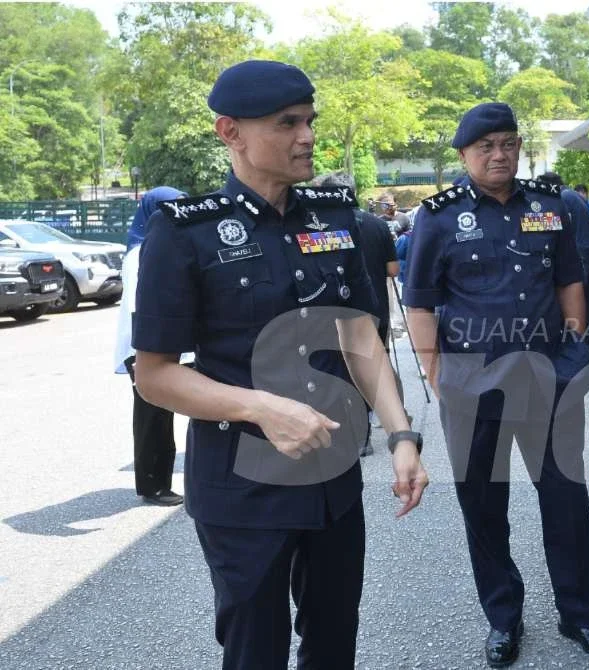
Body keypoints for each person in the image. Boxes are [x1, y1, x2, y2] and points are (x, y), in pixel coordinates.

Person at [131, 60, 428, 669]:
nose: (308, 136)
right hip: (242, 491)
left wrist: (402, 434)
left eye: (310, 121)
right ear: (230, 132)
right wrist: (259, 407)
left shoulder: (336, 220)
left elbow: (361, 341)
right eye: (287, 123)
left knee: (333, 641)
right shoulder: (187, 232)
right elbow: (154, 374)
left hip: (333, 481)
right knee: (255, 651)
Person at [402, 102, 589, 667]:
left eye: (508, 144)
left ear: (519, 147)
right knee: (483, 504)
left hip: (549, 377)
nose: (499, 155)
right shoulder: (438, 216)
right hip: (472, 388)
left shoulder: (550, 207)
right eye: (486, 148)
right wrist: (437, 374)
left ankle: (580, 616)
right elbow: (420, 303)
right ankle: (504, 618)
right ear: (463, 155)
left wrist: (575, 346)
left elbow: (571, 279)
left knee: (566, 499)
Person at [114, 186, 188, 506]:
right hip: (142, 348)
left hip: (156, 345)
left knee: (163, 414)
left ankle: (160, 481)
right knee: (150, 419)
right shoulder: (139, 253)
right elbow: (137, 305)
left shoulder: (157, 244)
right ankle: (151, 485)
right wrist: (141, 359)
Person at [321, 172, 402, 457]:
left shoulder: (322, 228)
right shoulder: (376, 225)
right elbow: (394, 270)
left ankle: (355, 429)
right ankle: (370, 426)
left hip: (338, 311)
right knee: (374, 364)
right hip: (375, 305)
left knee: (346, 369)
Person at [539, 171, 589, 352]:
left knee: (580, 296)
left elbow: (555, 225)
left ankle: (585, 341)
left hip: (582, 250)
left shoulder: (563, 197)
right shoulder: (572, 194)